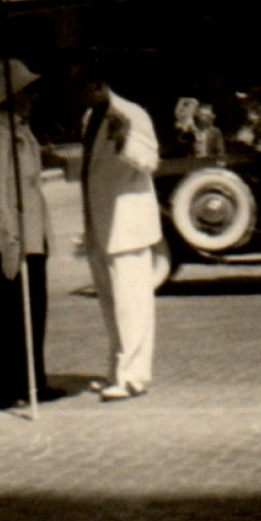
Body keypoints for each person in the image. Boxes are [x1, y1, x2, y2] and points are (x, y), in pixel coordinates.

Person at [75, 64, 162, 403]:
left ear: (99, 83)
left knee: (131, 303)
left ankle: (134, 377)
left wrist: (125, 139)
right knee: (111, 304)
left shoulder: (131, 114)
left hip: (127, 223)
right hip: (100, 222)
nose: (79, 95)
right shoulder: (90, 117)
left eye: (83, 87)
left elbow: (150, 161)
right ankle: (117, 370)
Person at [0, 59, 56, 410]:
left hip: (32, 233)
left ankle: (33, 382)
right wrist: (9, 240)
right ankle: (2, 387)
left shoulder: (21, 129)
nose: (33, 98)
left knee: (33, 308)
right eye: (27, 91)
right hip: (11, 236)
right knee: (8, 312)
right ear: (11, 96)